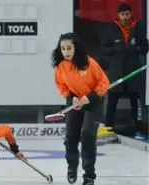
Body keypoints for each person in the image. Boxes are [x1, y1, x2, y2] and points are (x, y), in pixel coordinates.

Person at [51, 33, 110, 185]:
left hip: (93, 104)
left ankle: (89, 174)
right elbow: (61, 85)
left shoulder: (89, 62)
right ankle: (72, 167)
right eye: (63, 48)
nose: (66, 52)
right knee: (71, 137)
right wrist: (72, 98)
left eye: (69, 48)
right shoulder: (60, 66)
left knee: (87, 136)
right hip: (75, 103)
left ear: (76, 48)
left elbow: (104, 82)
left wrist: (91, 96)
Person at [100, 3, 149, 135]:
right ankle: (108, 128)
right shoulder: (112, 29)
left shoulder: (138, 28)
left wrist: (137, 49)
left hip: (133, 72)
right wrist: (114, 50)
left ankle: (138, 129)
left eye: (127, 14)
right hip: (117, 73)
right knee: (111, 102)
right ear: (118, 15)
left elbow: (145, 47)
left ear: (131, 13)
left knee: (136, 102)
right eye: (122, 14)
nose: (125, 17)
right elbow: (103, 49)